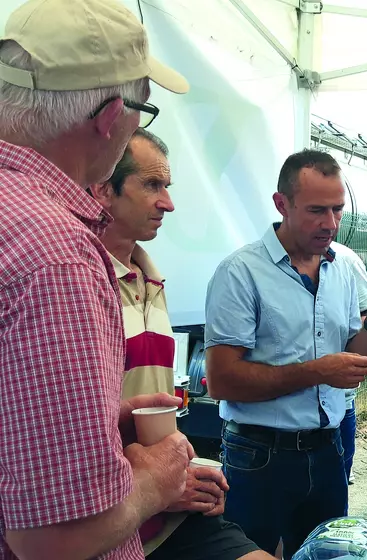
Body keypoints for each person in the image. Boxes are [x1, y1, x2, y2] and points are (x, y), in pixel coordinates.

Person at [0, 0, 193, 558]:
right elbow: (55, 539)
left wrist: (95, 420)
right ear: (111, 117)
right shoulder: (56, 255)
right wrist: (157, 478)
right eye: (143, 111)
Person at [203, 149, 367, 558]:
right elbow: (224, 381)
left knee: (330, 553)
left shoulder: (342, 268)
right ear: (281, 204)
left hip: (328, 450)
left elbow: (351, 363)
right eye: (317, 210)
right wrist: (317, 371)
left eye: (337, 210)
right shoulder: (241, 272)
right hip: (258, 457)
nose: (331, 223)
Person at [90, 128, 273, 560]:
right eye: (152, 185)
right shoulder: (80, 285)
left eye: (167, 187)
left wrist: (186, 474)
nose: (167, 203)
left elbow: (146, 409)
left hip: (164, 516)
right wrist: (156, 487)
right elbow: (74, 435)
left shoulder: (150, 280)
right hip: (113, 521)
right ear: (103, 190)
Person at [330, 241, 367, 486]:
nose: (328, 222)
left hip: (339, 407)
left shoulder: (345, 260)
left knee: (335, 518)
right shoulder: (248, 266)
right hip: (266, 430)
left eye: (336, 211)